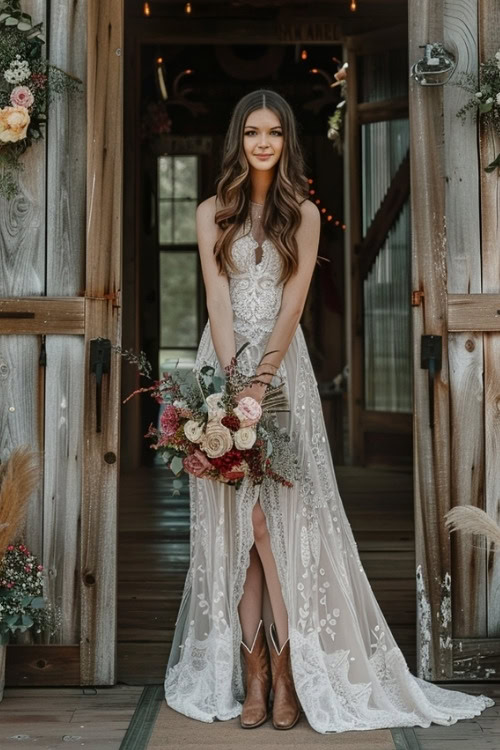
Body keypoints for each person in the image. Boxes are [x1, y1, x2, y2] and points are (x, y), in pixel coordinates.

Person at [164, 89, 494, 733]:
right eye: (253, 131)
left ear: (287, 141)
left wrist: (261, 384)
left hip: (284, 375)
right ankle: (251, 675)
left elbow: (290, 308)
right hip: (221, 367)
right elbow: (217, 299)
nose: (263, 143)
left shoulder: (305, 214)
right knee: (238, 527)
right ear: (239, 138)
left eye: (275, 133)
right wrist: (230, 391)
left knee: (274, 525)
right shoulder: (210, 212)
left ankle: (288, 673)